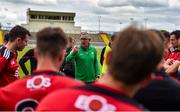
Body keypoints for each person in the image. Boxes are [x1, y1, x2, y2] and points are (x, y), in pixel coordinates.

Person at [36, 27, 164, 111]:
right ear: (147, 80)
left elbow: (96, 63)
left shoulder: (55, 101)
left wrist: (97, 74)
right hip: (80, 79)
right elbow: (67, 60)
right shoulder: (136, 109)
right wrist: (73, 53)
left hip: (92, 79)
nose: (84, 41)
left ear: (108, 58)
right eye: (82, 39)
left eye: (86, 39)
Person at [0, 27, 84, 111]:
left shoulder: (10, 92)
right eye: (26, 41)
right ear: (62, 56)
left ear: (36, 54)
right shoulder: (79, 92)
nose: (26, 44)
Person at [133, 29, 180, 111]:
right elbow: (170, 69)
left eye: (172, 40)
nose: (171, 43)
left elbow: (172, 69)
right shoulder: (174, 89)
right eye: (169, 41)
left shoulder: (128, 85)